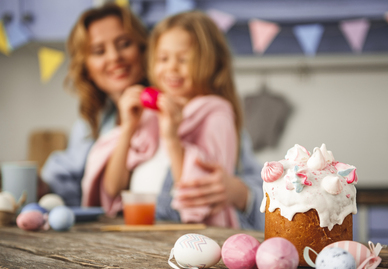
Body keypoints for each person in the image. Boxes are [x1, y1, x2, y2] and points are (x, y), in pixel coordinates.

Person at [41, 4, 264, 230]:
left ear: (142, 49)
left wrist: (243, 194)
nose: (115, 57)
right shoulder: (108, 122)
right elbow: (105, 190)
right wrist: (128, 128)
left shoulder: (214, 116)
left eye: (124, 44)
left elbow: (213, 195)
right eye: (99, 51)